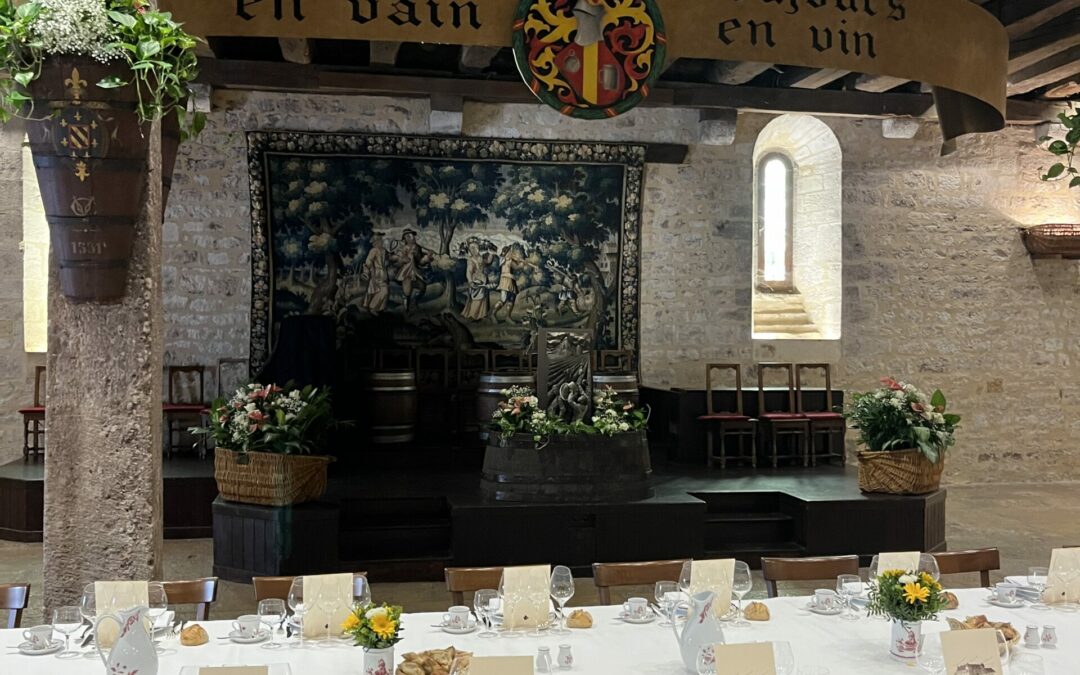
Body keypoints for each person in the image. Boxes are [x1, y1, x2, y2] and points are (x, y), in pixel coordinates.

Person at [393, 229, 433, 313]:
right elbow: (398, 260)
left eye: (412, 235)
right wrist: (403, 259)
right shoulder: (403, 249)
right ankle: (406, 308)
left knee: (422, 287)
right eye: (408, 236)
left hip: (415, 272)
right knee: (407, 290)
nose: (412, 237)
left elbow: (420, 261)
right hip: (406, 273)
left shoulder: (417, 248)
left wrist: (427, 258)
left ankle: (414, 302)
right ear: (405, 239)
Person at [492, 245, 534, 321]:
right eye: (509, 252)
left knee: (511, 299)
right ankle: (493, 314)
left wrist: (521, 262)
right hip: (506, 283)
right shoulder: (507, 261)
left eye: (511, 252)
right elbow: (515, 267)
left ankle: (507, 316)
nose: (511, 253)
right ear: (506, 253)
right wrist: (522, 264)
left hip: (508, 282)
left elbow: (515, 266)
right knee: (503, 299)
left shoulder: (506, 260)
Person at [461, 240, 493, 321]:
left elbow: (488, 261)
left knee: (483, 298)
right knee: (477, 298)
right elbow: (469, 272)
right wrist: (470, 281)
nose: (473, 250)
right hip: (476, 281)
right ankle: (473, 315)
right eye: (471, 248)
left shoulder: (480, 257)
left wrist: (491, 253)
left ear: (478, 248)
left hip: (483, 280)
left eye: (475, 248)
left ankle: (481, 315)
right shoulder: (471, 260)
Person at [359, 233, 389, 315]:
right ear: (375, 242)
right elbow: (368, 262)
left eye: (381, 239)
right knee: (383, 291)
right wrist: (366, 272)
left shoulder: (384, 250)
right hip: (376, 275)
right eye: (378, 240)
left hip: (383, 274)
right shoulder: (373, 251)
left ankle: (379, 308)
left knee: (384, 291)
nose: (381, 241)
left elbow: (387, 259)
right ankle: (373, 307)